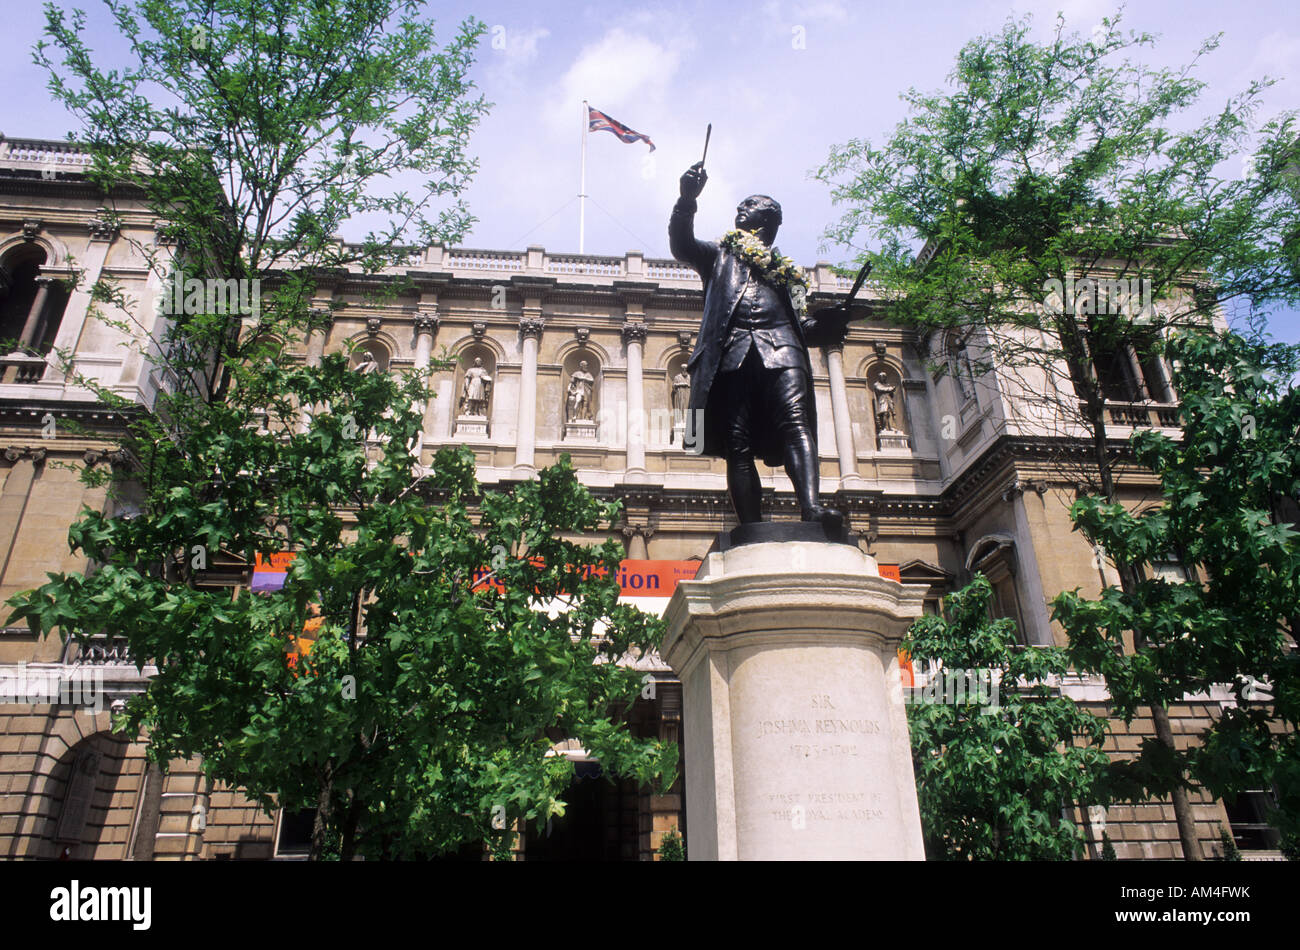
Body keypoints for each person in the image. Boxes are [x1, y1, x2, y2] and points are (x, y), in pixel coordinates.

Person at [669, 161, 852, 525]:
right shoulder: (719, 255)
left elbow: (803, 326)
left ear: (766, 222)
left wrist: (830, 325)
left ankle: (811, 506)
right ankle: (750, 526)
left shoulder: (789, 275)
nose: (740, 209)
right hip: (731, 354)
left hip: (784, 351)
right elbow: (682, 244)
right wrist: (686, 199)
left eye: (749, 206)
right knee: (737, 442)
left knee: (797, 424)